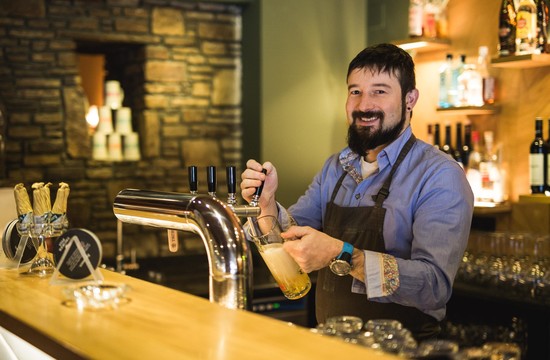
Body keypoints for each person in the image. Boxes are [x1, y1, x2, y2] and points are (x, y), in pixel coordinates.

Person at [240, 43, 474, 341]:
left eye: (379, 91)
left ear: (410, 99)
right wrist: (266, 204)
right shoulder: (335, 168)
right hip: (333, 345)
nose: (364, 105)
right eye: (355, 91)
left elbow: (433, 287)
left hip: (403, 350)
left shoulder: (440, 176)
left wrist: (343, 255)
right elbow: (287, 238)